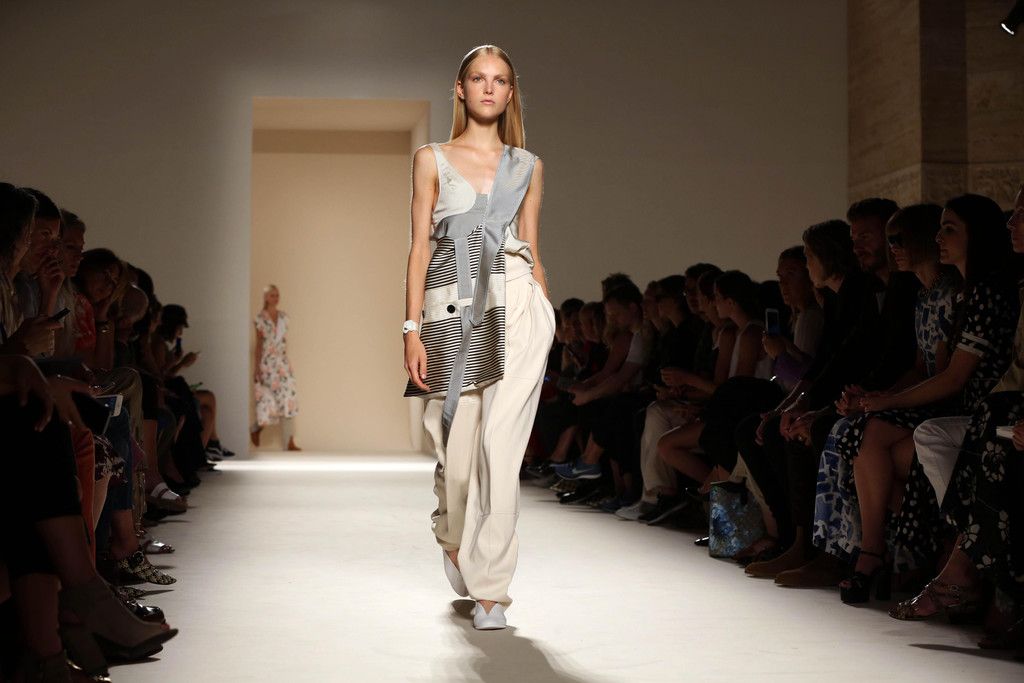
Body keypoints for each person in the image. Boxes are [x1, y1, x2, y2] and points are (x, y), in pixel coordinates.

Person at [402, 45, 555, 631]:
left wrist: (545, 312)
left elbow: (531, 246)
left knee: (500, 446)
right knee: (457, 456)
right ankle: (453, 534)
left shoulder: (527, 165)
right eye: (477, 78)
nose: (489, 88)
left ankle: (492, 587)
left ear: (511, 92)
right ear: (460, 89)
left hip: (516, 305)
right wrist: (411, 328)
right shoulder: (431, 159)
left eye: (500, 80)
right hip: (450, 311)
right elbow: (420, 246)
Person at [251, 284, 300, 450]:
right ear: (266, 297)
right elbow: (259, 344)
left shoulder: (284, 318)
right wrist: (256, 368)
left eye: (277, 295)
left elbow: (282, 341)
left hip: (282, 364)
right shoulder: (260, 319)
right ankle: (256, 429)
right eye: (272, 295)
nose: (276, 298)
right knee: (269, 402)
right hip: (267, 365)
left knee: (288, 399)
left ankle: (289, 442)